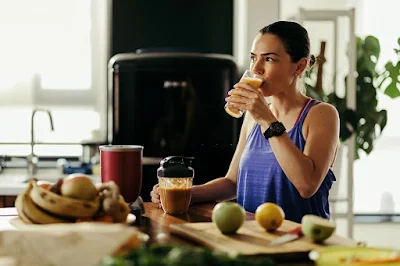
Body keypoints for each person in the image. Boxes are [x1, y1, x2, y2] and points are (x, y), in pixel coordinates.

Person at [151, 21, 339, 223]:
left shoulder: (321, 115)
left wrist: (267, 119)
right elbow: (233, 182)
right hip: (251, 238)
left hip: (298, 242)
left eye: (269, 59)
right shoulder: (252, 116)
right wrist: (182, 193)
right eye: (253, 58)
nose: (256, 68)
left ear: (299, 66)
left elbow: (306, 185)